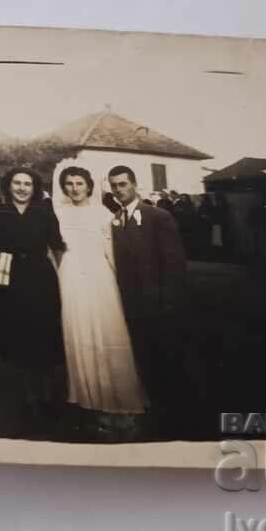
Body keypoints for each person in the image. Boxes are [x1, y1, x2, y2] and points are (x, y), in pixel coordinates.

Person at [52, 162, 148, 439]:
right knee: (79, 337)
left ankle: (122, 405)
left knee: (109, 335)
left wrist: (120, 282)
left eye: (79, 183)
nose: (74, 188)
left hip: (99, 276)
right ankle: (92, 404)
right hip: (71, 277)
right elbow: (55, 250)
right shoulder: (58, 213)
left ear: (89, 186)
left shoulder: (102, 214)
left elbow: (111, 252)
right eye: (69, 184)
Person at [106, 165, 190, 435]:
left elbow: (174, 265)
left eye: (123, 184)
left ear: (134, 184)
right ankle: (155, 409)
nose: (119, 190)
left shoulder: (158, 216)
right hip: (133, 306)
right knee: (144, 359)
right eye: (115, 186)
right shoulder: (116, 220)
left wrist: (169, 303)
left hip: (160, 305)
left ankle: (177, 414)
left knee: (169, 359)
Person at [0, 167, 66, 419]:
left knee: (44, 335)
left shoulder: (44, 212)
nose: (22, 188)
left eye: (27, 184)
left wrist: (64, 280)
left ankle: (50, 395)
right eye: (17, 183)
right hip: (9, 277)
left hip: (40, 277)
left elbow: (57, 249)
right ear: (8, 186)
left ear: (34, 188)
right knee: (19, 339)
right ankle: (31, 399)